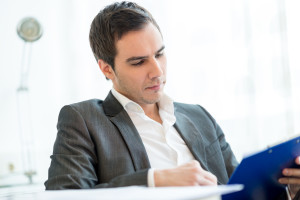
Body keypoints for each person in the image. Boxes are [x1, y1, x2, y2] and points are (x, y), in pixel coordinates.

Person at [45, 1, 300, 199]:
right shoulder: (84, 120)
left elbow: (242, 191)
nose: (157, 71)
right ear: (106, 69)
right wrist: (156, 180)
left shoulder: (199, 117)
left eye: (160, 54)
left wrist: (290, 186)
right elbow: (64, 196)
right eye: (138, 62)